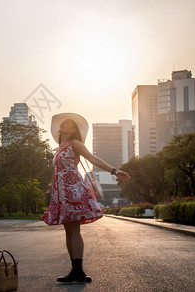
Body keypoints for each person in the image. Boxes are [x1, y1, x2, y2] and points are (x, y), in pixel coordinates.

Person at [41, 113, 131, 284]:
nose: (63, 124)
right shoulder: (59, 148)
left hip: (73, 190)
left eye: (68, 123)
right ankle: (75, 270)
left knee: (74, 230)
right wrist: (52, 187)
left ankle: (78, 271)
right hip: (61, 192)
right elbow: (58, 171)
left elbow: (92, 158)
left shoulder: (75, 144)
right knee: (68, 230)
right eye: (63, 122)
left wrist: (114, 171)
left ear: (74, 129)